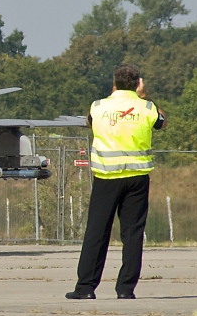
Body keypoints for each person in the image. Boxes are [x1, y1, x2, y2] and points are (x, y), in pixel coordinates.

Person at [66, 64, 166, 300]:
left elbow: (90, 122)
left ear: (115, 82)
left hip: (106, 178)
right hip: (137, 178)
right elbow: (162, 122)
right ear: (138, 83)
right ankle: (125, 288)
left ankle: (86, 287)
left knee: (97, 232)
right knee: (132, 234)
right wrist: (143, 96)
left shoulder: (99, 106)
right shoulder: (147, 107)